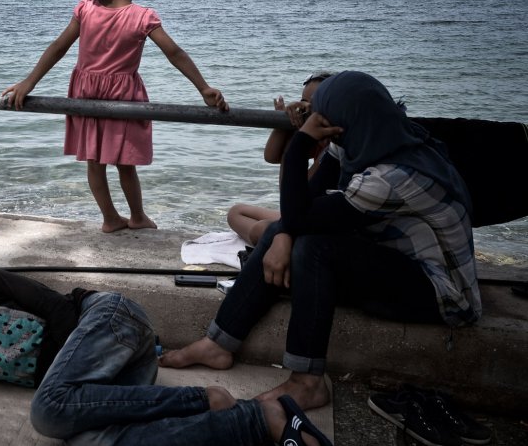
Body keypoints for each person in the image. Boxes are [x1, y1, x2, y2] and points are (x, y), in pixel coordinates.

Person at [160, 71, 481, 413]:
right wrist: (282, 234)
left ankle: (307, 383)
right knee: (279, 234)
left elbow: (301, 217)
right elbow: (302, 206)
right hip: (395, 262)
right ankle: (218, 344)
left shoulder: (392, 177)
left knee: (313, 248)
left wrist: (299, 145)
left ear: (342, 119)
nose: (314, 119)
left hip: (442, 295)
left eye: (320, 113)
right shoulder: (367, 137)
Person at [0, 263, 332, 446]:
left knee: (47, 414)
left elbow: (55, 309)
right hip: (103, 379)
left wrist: (66, 386)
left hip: (108, 320)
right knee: (94, 445)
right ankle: (263, 420)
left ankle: (202, 398)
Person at [2, 0, 229, 233]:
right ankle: (137, 216)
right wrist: (203, 88)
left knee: (94, 162)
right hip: (123, 96)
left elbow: (58, 47)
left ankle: (110, 218)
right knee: (125, 163)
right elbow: (174, 53)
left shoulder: (85, 9)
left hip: (85, 93)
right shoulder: (142, 17)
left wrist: (28, 82)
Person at [227, 73, 332, 246]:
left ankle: (277, 242)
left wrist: (294, 145)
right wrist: (284, 126)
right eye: (302, 101)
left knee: (261, 229)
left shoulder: (332, 149)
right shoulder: (315, 134)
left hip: (314, 224)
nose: (304, 108)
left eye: (312, 103)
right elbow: (270, 156)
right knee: (236, 212)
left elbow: (290, 196)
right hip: (300, 214)